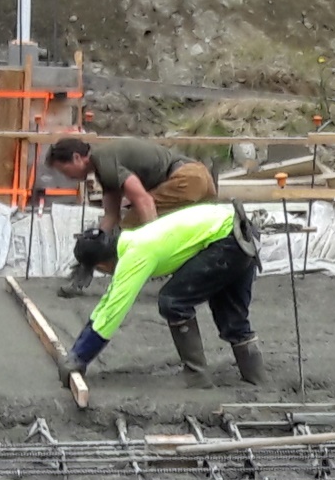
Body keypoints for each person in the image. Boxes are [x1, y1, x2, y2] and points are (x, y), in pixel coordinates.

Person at [58, 201, 270, 390]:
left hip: (227, 238)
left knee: (173, 301)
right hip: (240, 231)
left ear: (102, 265)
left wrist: (80, 357)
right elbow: (108, 301)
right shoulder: (135, 239)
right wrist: (77, 351)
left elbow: (114, 309)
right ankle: (259, 380)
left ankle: (197, 375)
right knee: (232, 316)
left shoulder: (135, 254)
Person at [45, 137, 218, 295]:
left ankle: (152, 265)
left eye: (64, 170)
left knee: (127, 234)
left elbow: (144, 201)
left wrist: (152, 246)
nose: (66, 177)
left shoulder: (104, 162)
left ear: (76, 158)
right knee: (192, 236)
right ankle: (203, 280)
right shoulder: (105, 165)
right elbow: (111, 216)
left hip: (186, 180)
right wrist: (92, 245)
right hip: (201, 177)